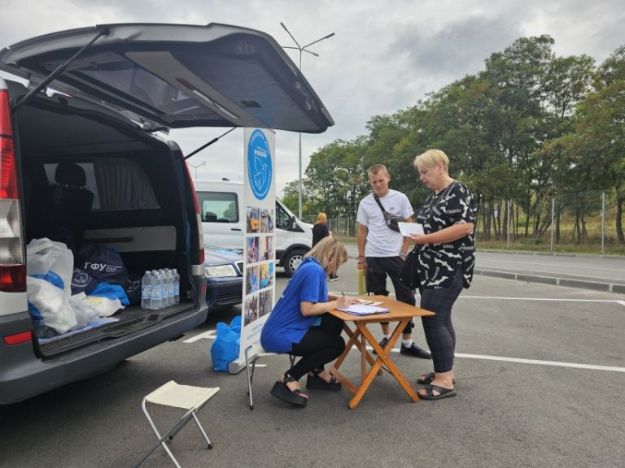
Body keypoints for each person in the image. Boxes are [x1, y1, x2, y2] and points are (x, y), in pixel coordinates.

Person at [409, 149, 477, 400]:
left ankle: (445, 380)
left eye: (424, 172)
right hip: (431, 268)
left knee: (433, 317)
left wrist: (426, 238)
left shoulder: (458, 190)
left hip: (449, 267)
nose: (422, 178)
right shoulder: (436, 195)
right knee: (441, 317)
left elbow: (464, 226)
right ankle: (444, 368)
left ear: (440, 166)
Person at [261, 237, 355, 407]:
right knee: (337, 344)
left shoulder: (309, 265)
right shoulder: (314, 271)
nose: (336, 269)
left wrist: (334, 298)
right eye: (338, 263)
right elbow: (307, 309)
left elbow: (313, 297)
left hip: (279, 329)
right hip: (281, 335)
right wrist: (337, 303)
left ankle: (316, 371)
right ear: (330, 255)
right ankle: (289, 377)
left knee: (333, 322)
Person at [356, 164, 431, 359]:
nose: (378, 185)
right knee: (379, 299)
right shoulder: (365, 203)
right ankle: (386, 336)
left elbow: (410, 226)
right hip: (373, 255)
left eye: (381, 180)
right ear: (370, 182)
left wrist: (403, 252)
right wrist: (362, 257)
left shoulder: (400, 198)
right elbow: (362, 231)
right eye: (374, 182)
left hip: (396, 256)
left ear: (388, 177)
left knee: (406, 297)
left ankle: (407, 341)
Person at [312, 212, 338, 281]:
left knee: (318, 262)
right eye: (325, 218)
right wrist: (330, 233)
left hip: (315, 247)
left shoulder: (315, 226)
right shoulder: (324, 226)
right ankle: (332, 276)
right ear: (323, 219)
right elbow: (328, 238)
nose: (326, 220)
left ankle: (318, 275)